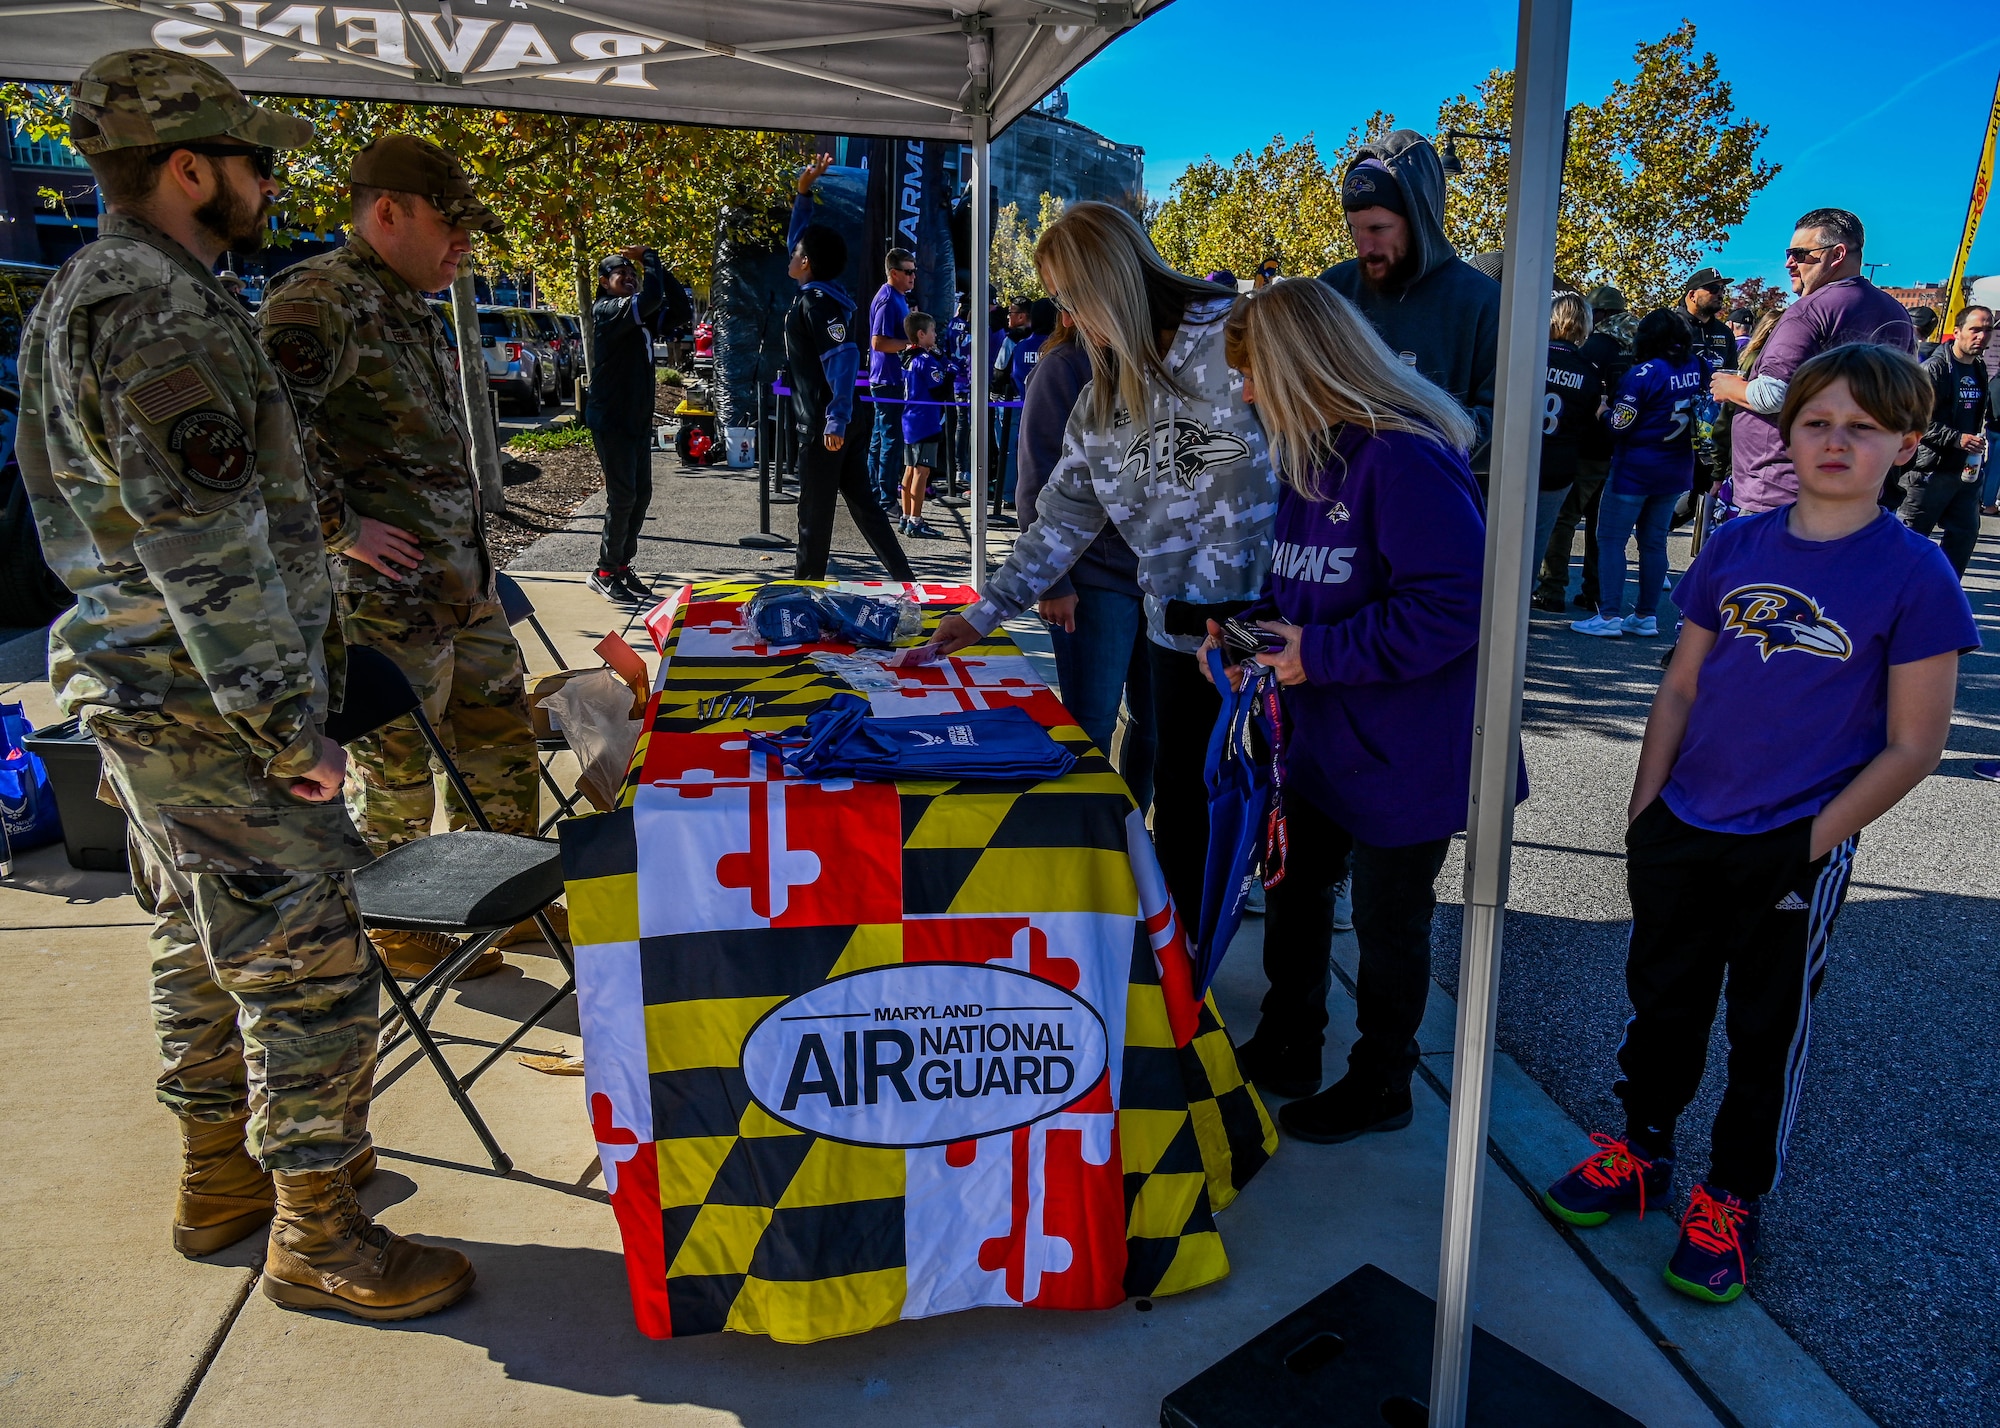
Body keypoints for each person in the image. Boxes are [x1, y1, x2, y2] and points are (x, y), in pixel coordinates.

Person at [18, 48, 473, 1318]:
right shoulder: (152, 306)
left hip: (152, 699)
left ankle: (221, 1180)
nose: (271, 184)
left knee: (195, 947)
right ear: (187, 168)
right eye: (254, 162)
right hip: (209, 709)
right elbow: (203, 546)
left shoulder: (104, 291)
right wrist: (291, 728)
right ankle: (319, 1232)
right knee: (306, 971)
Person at [1542, 344, 1977, 1305]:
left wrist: (1804, 844)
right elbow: (1683, 682)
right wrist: (1645, 806)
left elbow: (1914, 747)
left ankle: (1729, 1196)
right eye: (1819, 420)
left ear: (1905, 445)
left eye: (1863, 428)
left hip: (1794, 848)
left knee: (1765, 1031)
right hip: (1684, 825)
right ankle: (1641, 1151)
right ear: (1787, 431)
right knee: (1663, 1004)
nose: (1837, 441)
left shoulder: (1916, 576)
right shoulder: (1736, 545)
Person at [1202, 277, 1510, 1141]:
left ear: (1303, 365)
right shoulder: (1316, 456)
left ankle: (1383, 1080)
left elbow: (1457, 605)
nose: (1246, 391)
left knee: (1387, 924)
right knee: (1295, 893)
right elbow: (1296, 587)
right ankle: (1290, 1041)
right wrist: (1237, 640)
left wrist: (1316, 655)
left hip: (1409, 752)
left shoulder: (1404, 458)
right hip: (1327, 741)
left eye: (1254, 372)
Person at [912, 201, 1276, 932]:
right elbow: (1059, 521)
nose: (1067, 318)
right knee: (1181, 799)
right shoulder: (1100, 397)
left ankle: (1263, 997)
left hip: (1266, 632)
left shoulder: (1244, 333)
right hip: (1179, 639)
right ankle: (1186, 979)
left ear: (1105, 282)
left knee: (1260, 805)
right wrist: (980, 615)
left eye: (1069, 298)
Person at [262, 133, 547, 980]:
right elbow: (269, 431)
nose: (465, 244)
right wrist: (339, 528)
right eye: (450, 223)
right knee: (396, 764)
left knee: (499, 738)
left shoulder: (404, 301)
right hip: (381, 599)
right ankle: (399, 919)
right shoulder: (319, 300)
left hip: (460, 586)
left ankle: (508, 893)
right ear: (388, 212)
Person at [1016, 309, 1156, 810]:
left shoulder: (1151, 356)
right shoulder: (1065, 364)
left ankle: (1130, 839)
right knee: (1089, 725)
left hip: (1158, 579)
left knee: (1153, 728)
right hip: (1093, 577)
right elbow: (1037, 481)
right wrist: (1053, 583)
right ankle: (1083, 849)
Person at [1319, 131, 1499, 481]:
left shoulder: (1485, 303)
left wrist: (1398, 429)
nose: (1364, 246)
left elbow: (1504, 427)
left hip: (1434, 503)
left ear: (1421, 220)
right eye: (1354, 229)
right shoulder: (1332, 289)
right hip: (1333, 500)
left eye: (1379, 228)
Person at [1709, 209, 1914, 515]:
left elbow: (1773, 394)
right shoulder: (1897, 314)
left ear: (1837, 254)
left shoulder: (1810, 310)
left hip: (1780, 492)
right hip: (1855, 489)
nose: (1788, 263)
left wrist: (1729, 387)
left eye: (1799, 254)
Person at [784, 159, 915, 584]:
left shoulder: (817, 304)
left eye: (797, 254)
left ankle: (804, 592)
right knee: (864, 506)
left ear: (806, 264)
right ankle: (905, 579)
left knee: (814, 516)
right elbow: (800, 242)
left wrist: (835, 420)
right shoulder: (817, 291)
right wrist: (803, 194)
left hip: (828, 425)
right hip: (838, 421)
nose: (792, 254)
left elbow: (842, 360)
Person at [1574, 311, 1704, 639]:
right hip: (1675, 467)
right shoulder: (1699, 366)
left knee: (1611, 538)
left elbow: (1621, 424)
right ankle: (1646, 615)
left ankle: (1609, 614)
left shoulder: (1642, 373)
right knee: (1654, 541)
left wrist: (1603, 411)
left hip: (1636, 468)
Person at [1537, 283, 1628, 611]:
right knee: (1599, 525)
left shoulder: (1539, 359)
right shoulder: (1629, 346)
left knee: (1560, 521)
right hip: (1606, 447)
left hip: (1561, 452)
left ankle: (1551, 588)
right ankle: (1596, 591)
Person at [584, 243, 666, 605]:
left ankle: (620, 565)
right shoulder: (606, 310)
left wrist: (659, 266)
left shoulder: (638, 317)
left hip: (635, 420)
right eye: (623, 275)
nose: (630, 279)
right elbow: (651, 298)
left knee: (641, 494)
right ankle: (603, 571)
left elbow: (669, 302)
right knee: (623, 496)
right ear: (604, 282)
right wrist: (648, 258)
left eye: (633, 276)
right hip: (612, 419)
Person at [1899, 305, 1992, 577]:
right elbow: (1914, 419)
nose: (1982, 336)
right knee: (1908, 542)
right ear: (1958, 332)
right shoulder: (1935, 368)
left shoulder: (1978, 368)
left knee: (1964, 537)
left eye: (1988, 330)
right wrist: (1957, 438)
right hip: (1927, 472)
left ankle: (1944, 597)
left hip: (1965, 472)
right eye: (1975, 329)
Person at [1532, 293, 1606, 610]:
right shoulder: (1589, 373)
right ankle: (1529, 598)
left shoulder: (1530, 358)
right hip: (1559, 465)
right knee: (1541, 535)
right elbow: (1589, 422)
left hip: (1522, 455)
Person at [897, 310, 958, 539]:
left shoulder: (907, 357)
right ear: (921, 334)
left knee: (909, 470)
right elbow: (940, 390)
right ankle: (916, 519)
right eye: (932, 331)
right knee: (922, 473)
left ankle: (905, 516)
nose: (935, 335)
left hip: (909, 420)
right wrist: (950, 373)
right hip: (924, 422)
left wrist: (940, 355)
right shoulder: (924, 361)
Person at [868, 244, 918, 510]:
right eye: (908, 271)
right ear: (894, 272)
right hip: (887, 379)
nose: (912, 276)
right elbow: (878, 342)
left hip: (888, 377)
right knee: (890, 439)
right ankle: (886, 498)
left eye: (914, 271)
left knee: (880, 438)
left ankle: (875, 492)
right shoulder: (888, 299)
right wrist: (909, 345)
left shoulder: (898, 297)